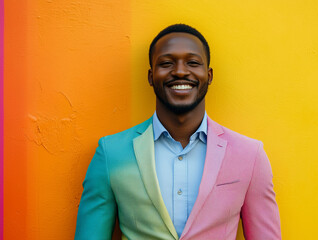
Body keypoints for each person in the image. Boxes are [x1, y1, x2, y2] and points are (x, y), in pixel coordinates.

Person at [75, 24, 281, 240]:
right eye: (166, 63)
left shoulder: (250, 155)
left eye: (193, 63)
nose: (181, 71)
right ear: (150, 76)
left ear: (209, 75)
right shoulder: (111, 153)